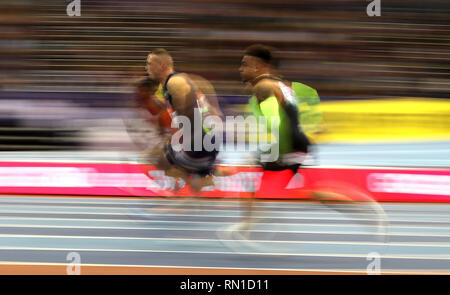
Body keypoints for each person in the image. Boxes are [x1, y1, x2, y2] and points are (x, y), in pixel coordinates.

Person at [145, 48, 224, 192]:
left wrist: (176, 138)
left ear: (162, 65)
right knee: (194, 180)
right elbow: (158, 108)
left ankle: (196, 177)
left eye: (150, 64)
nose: (147, 68)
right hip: (205, 140)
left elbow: (188, 119)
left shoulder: (175, 83)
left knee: (155, 156)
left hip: (200, 141)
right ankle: (204, 177)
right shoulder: (171, 84)